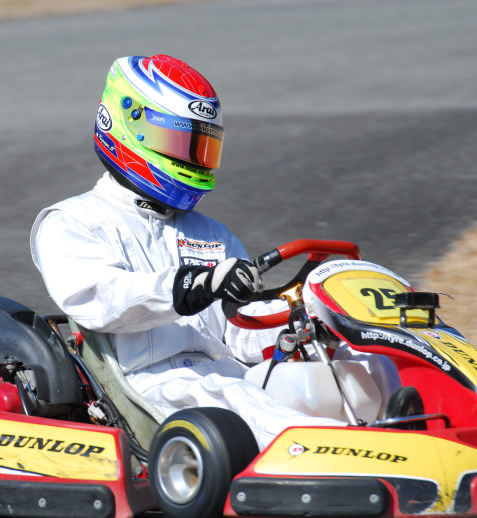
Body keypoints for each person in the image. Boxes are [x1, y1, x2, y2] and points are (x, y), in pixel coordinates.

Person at [30, 54, 345, 449]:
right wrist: (193, 285)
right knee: (236, 397)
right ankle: (348, 453)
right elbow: (100, 299)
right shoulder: (73, 221)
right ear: (130, 127)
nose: (192, 159)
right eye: (181, 143)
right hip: (154, 387)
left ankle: (401, 425)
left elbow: (240, 330)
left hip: (228, 374)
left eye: (201, 147)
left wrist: (306, 321)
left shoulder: (211, 233)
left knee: (350, 366)